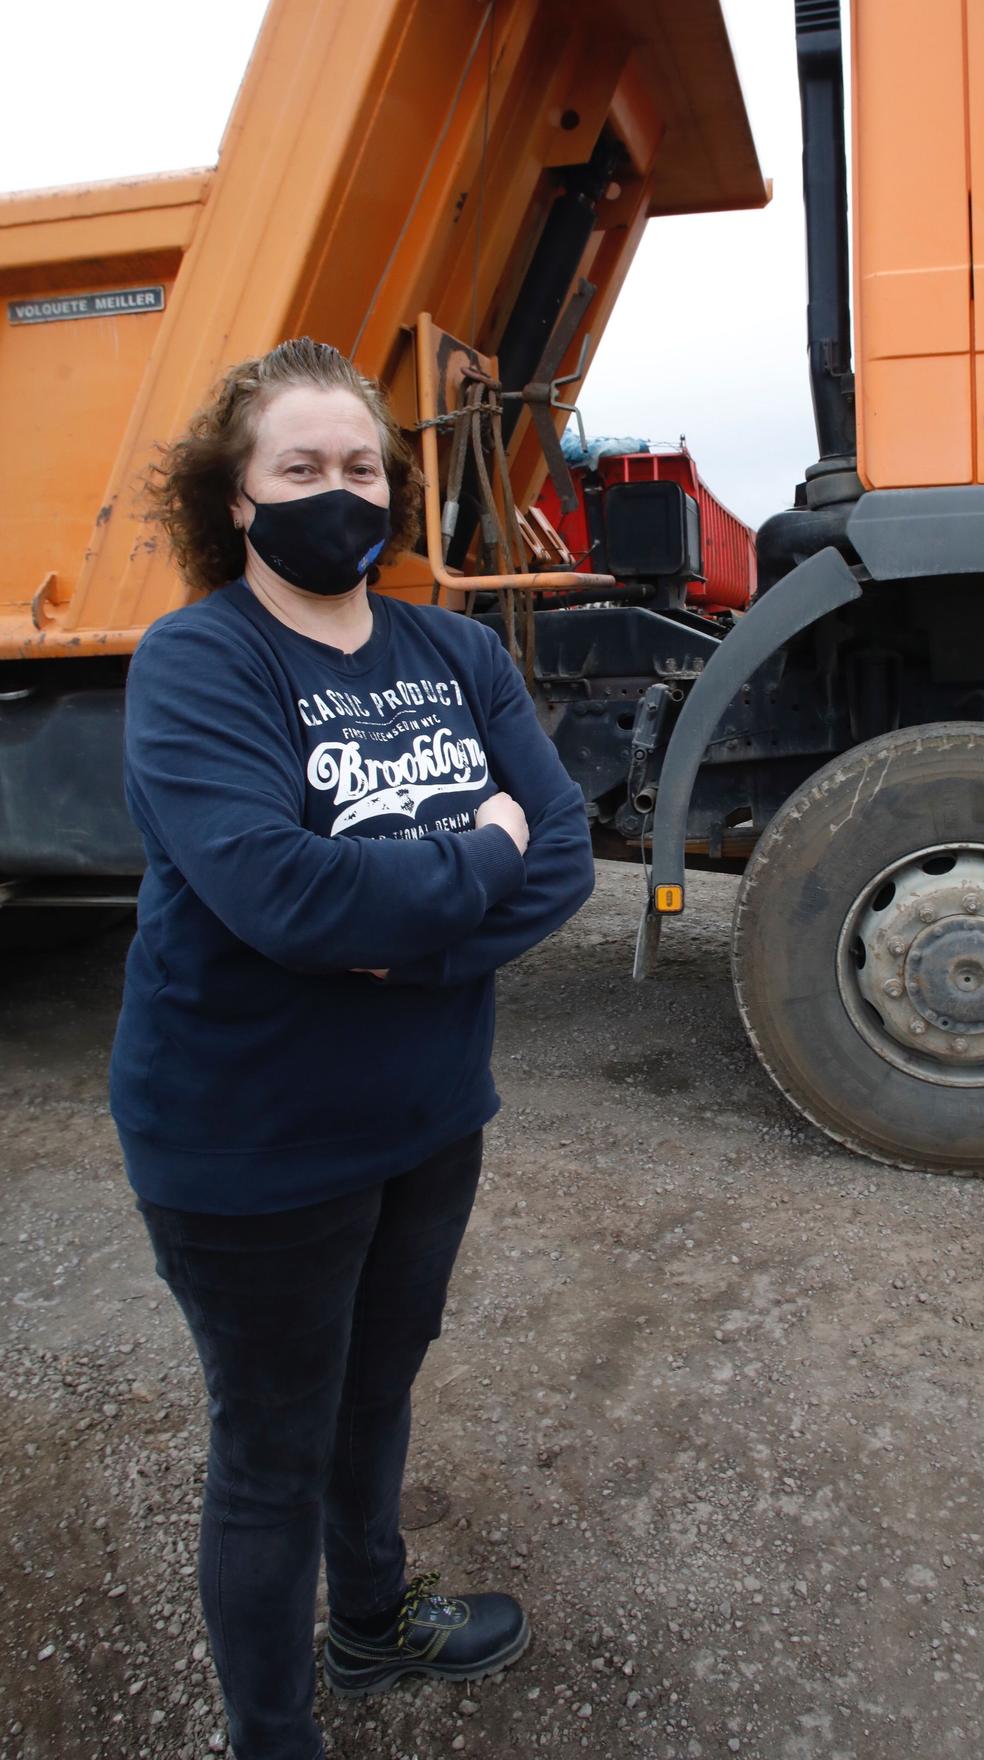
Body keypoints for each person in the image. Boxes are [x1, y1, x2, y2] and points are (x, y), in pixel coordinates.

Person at [110, 336, 595, 1760]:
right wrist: (472, 850)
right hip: (246, 1140)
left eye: (364, 466)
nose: (342, 491)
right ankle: (276, 1739)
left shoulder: (449, 646)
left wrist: (404, 937)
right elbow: (281, 892)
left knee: (376, 1391)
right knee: (269, 1451)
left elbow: (559, 853)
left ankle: (372, 1629)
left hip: (429, 1114)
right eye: (302, 467)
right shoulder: (198, 660)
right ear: (238, 497)